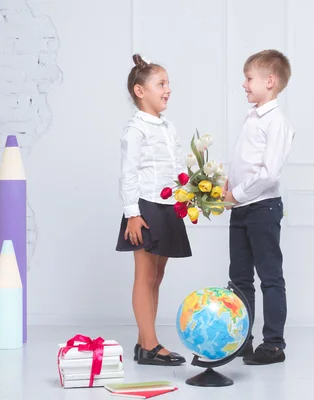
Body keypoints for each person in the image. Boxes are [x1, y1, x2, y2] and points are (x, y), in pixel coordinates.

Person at [115, 54, 191, 366]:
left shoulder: (167, 127)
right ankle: (150, 345)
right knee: (144, 277)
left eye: (168, 83)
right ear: (140, 91)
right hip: (145, 207)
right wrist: (133, 213)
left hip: (167, 206)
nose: (168, 89)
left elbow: (174, 167)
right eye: (161, 83)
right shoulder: (136, 129)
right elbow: (128, 173)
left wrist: (183, 195)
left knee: (157, 277)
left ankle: (143, 341)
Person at [222, 49, 295, 365]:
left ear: (270, 81)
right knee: (239, 278)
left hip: (262, 209)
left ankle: (274, 344)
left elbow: (268, 173)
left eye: (248, 78)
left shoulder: (276, 122)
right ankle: (243, 340)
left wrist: (236, 194)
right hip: (241, 208)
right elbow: (243, 161)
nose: (244, 84)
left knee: (270, 277)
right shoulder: (251, 117)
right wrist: (227, 187)